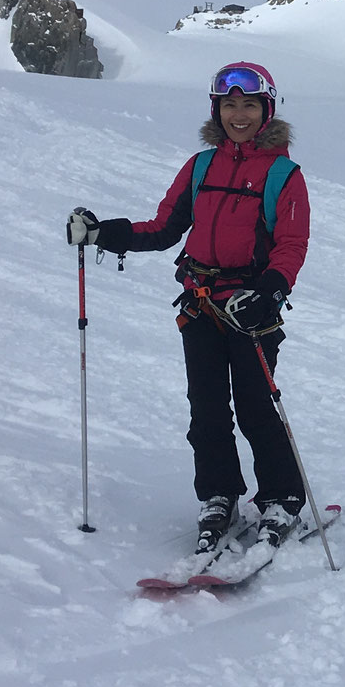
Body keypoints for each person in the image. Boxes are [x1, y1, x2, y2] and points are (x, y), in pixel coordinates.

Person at [66, 61, 311, 557]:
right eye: (228, 105)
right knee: (207, 411)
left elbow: (291, 244)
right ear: (216, 109)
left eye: (248, 105)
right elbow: (162, 227)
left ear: (266, 109)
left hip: (251, 310)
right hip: (200, 306)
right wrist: (102, 232)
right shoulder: (201, 167)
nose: (237, 115)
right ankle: (218, 497)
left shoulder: (284, 174)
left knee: (257, 409)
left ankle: (282, 499)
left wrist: (269, 290)